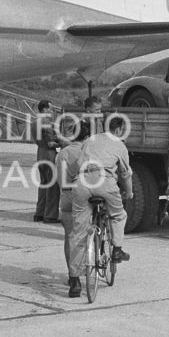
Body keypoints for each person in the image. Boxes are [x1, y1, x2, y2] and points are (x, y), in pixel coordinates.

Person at [67, 113, 133, 294]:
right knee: (119, 215)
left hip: (82, 182)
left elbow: (78, 162)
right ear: (119, 129)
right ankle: (117, 249)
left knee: (78, 231)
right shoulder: (120, 145)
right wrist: (129, 192)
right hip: (104, 181)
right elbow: (125, 174)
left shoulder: (90, 140)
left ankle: (74, 281)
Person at [56, 118, 95, 297]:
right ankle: (88, 266)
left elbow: (61, 182)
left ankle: (73, 279)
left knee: (70, 236)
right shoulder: (91, 152)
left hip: (67, 196)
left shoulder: (63, 153)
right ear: (88, 135)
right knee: (87, 233)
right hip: (86, 196)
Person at [32, 99, 61, 223]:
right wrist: (63, 142)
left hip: (40, 153)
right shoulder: (46, 123)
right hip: (49, 155)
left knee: (43, 184)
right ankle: (50, 215)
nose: (52, 111)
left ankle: (39, 213)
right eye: (50, 109)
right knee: (53, 186)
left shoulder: (34, 122)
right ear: (44, 109)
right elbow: (50, 143)